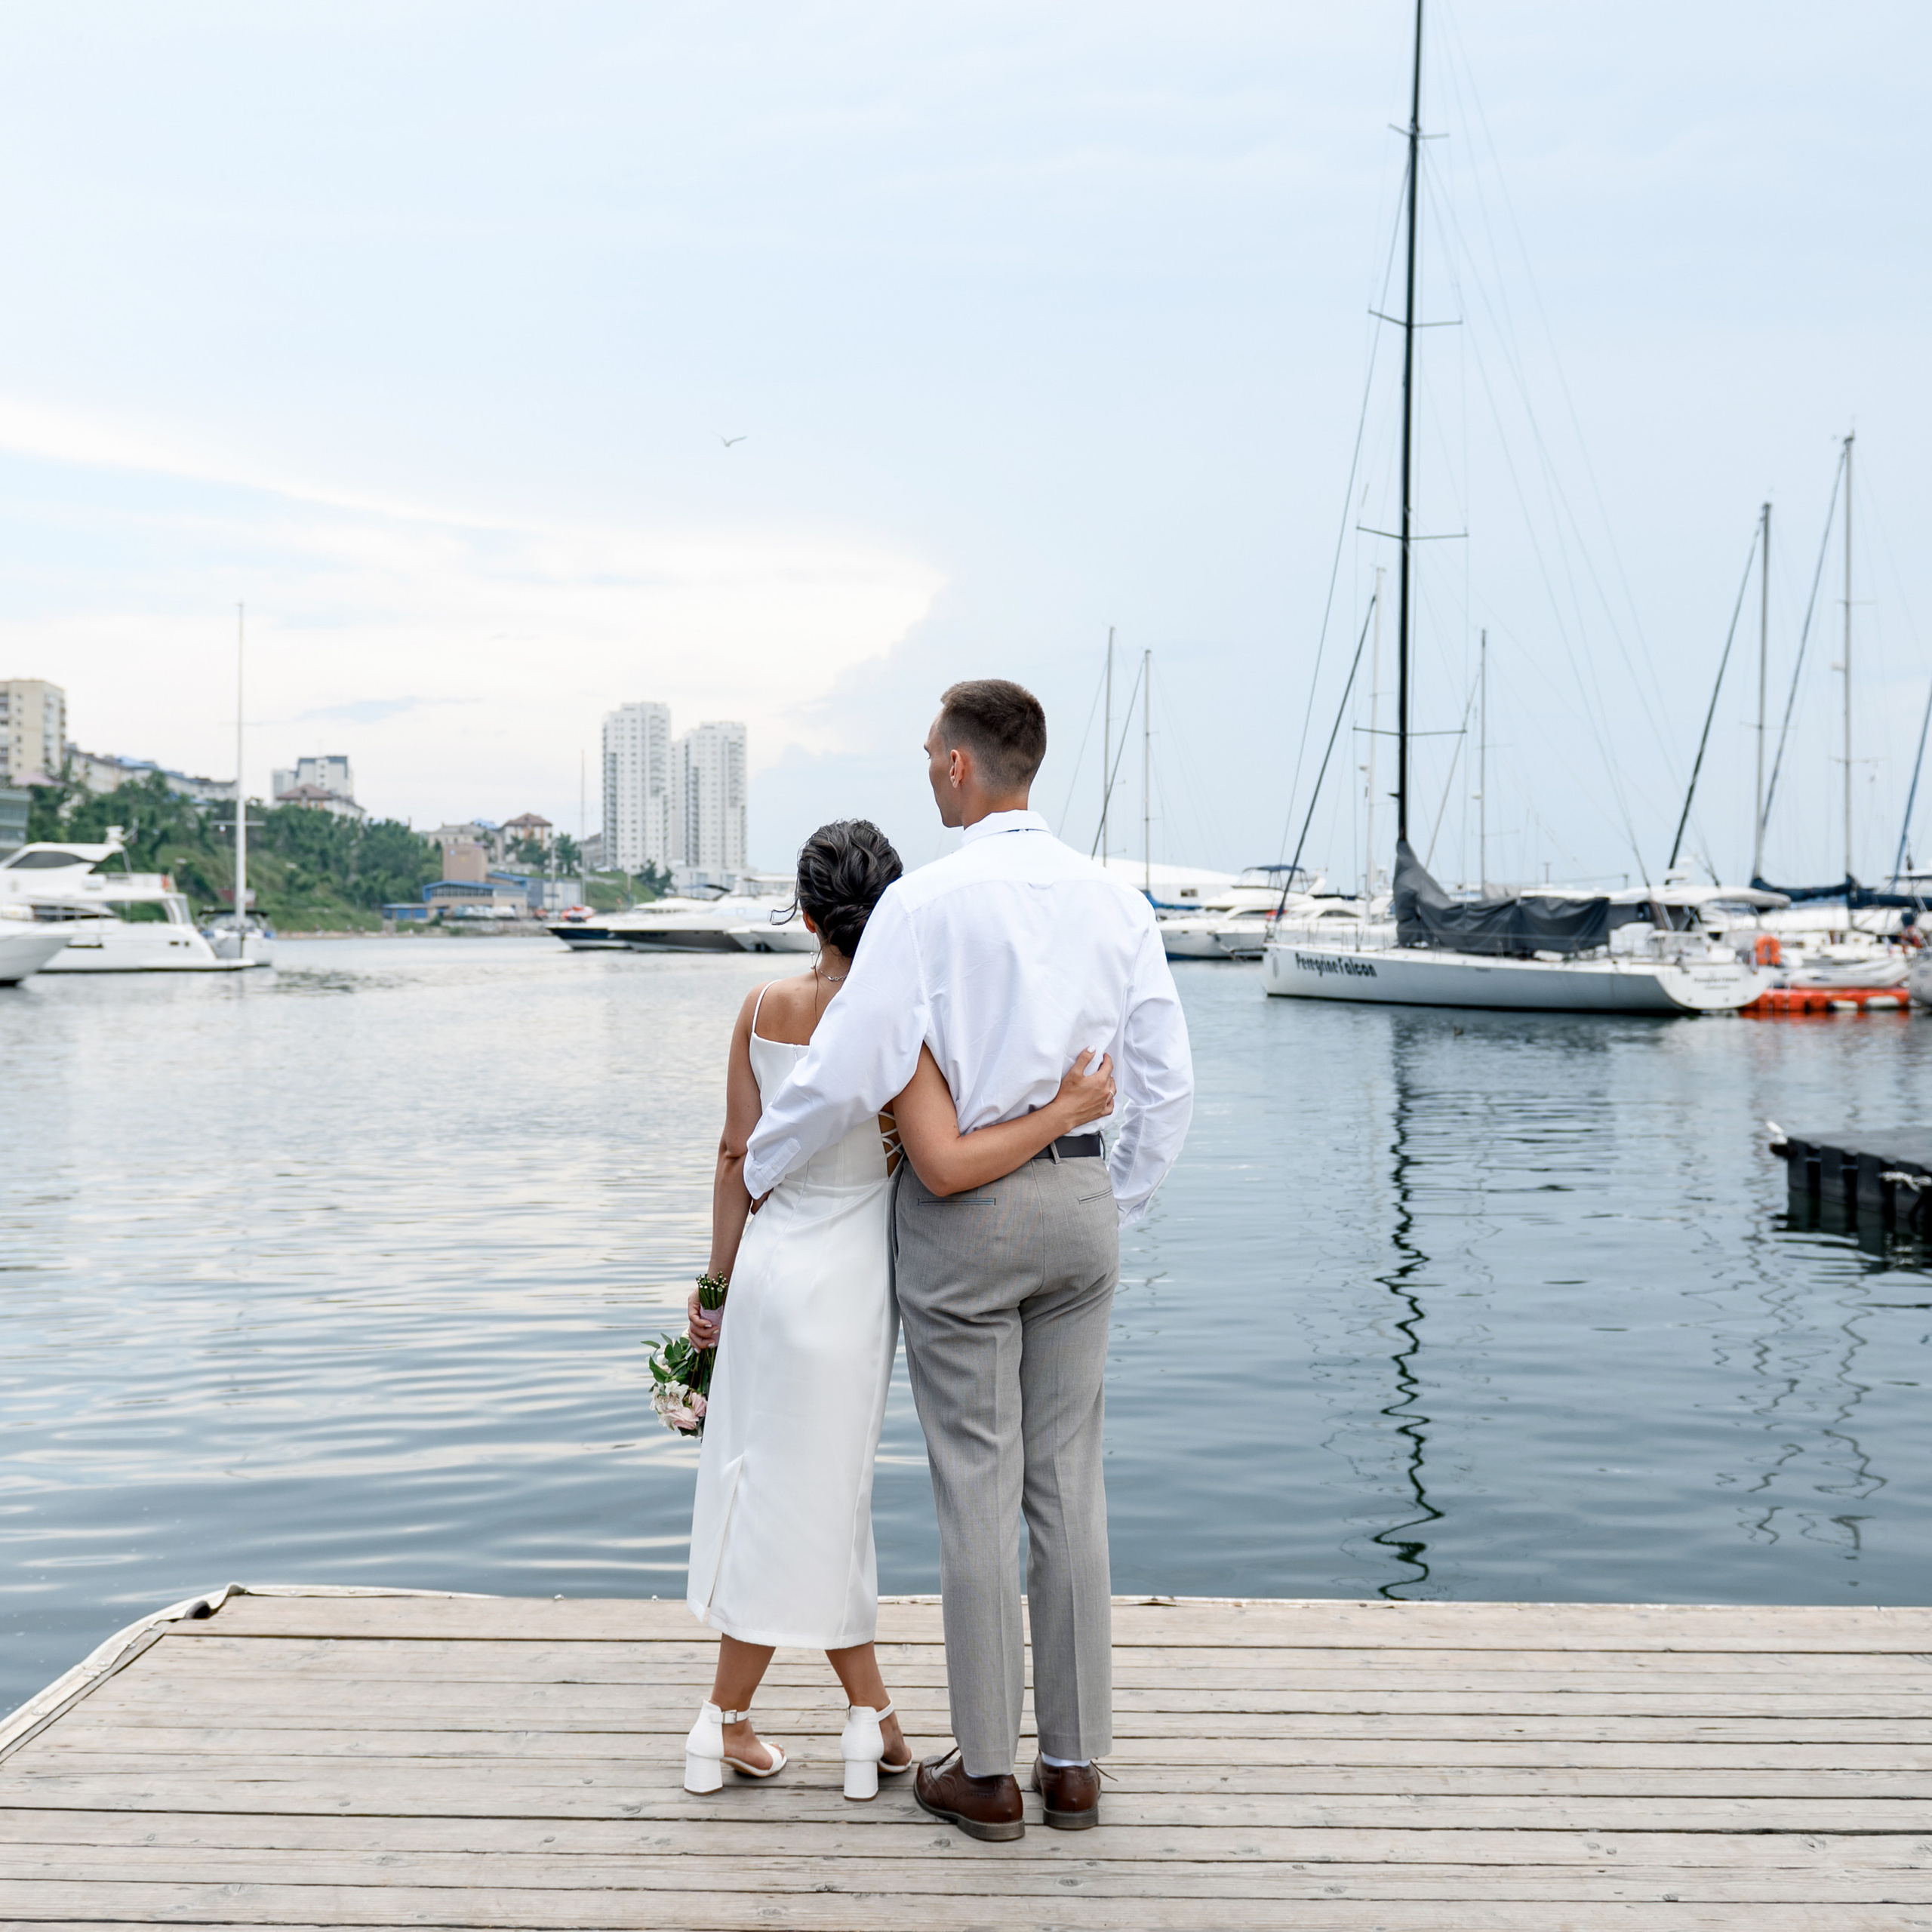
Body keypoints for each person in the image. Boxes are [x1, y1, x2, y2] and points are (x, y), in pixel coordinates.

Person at [743, 681, 1194, 1841]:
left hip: (966, 1220)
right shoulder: (1117, 902)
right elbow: (1167, 1079)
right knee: (1069, 1487)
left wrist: (760, 1168)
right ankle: (1077, 1766)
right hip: (1083, 1197)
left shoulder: (926, 905)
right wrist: (1108, 1194)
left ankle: (988, 1772)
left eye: (927, 755)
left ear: (957, 769)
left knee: (978, 1492)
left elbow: (851, 1065)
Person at [681, 817, 1119, 1802]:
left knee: (767, 1486)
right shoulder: (902, 1021)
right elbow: (940, 1157)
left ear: (803, 914)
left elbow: (734, 1158)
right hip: (852, 1278)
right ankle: (830, 1724)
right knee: (831, 1503)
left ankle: (792, 1721)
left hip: (767, 1272)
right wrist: (1061, 1115)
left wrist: (713, 1287)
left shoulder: (760, 1005)